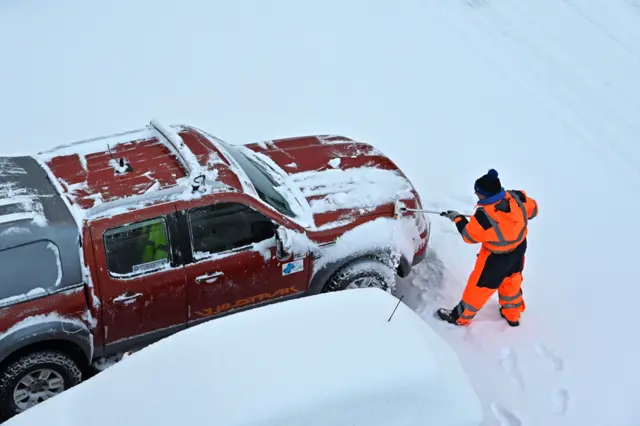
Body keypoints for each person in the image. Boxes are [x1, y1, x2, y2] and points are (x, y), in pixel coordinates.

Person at [436, 169, 538, 327]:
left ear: (484, 195)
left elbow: (469, 236)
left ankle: (460, 317)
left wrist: (457, 218)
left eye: (478, 193)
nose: (477, 196)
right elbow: (533, 210)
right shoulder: (517, 197)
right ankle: (512, 315)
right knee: (512, 281)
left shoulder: (483, 218)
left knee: (478, 289)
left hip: (495, 261)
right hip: (518, 252)